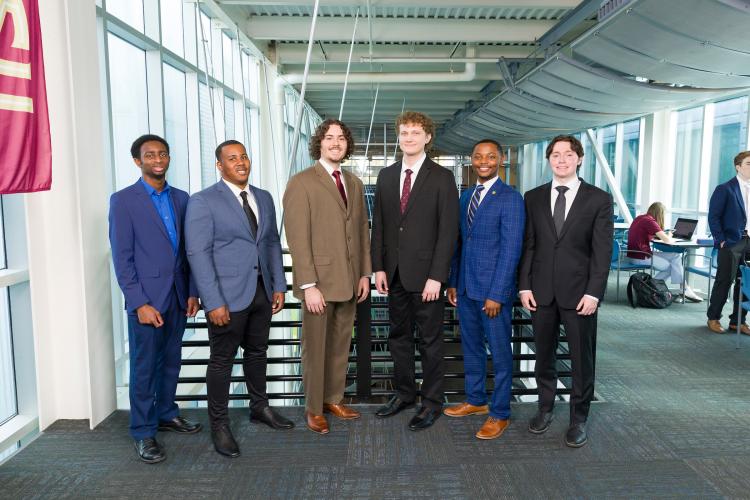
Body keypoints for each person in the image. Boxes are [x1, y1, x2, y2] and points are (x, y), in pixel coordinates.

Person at [185, 140, 292, 458]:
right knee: (221, 361)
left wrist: (280, 285)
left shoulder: (264, 197)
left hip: (261, 291)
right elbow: (198, 254)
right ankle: (219, 425)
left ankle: (260, 408)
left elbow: (271, 241)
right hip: (226, 297)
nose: (240, 162)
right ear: (220, 165)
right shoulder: (203, 201)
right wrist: (213, 301)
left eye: (244, 156)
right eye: (232, 158)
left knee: (258, 352)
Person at [109, 134, 202, 464]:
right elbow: (122, 259)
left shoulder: (181, 198)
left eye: (163, 153)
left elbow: (188, 252)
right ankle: (143, 431)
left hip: (178, 297)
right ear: (138, 161)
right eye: (150, 155)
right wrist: (139, 303)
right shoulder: (123, 201)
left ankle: (166, 412)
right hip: (146, 301)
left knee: (172, 361)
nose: (158, 159)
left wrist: (192, 291)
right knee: (145, 367)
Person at [518, 135, 613, 448]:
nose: (561, 160)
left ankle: (578, 418)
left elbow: (602, 252)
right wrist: (524, 285)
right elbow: (529, 245)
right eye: (556, 155)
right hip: (541, 291)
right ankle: (544, 408)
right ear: (549, 160)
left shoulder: (597, 199)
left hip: (580, 295)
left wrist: (594, 293)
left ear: (579, 158)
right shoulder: (532, 197)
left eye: (568, 154)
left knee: (580, 360)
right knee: (543, 355)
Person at [371, 111, 459, 431]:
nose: (409, 138)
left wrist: (437, 276)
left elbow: (448, 232)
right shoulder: (386, 175)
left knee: (431, 342)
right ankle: (405, 393)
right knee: (399, 339)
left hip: (427, 279)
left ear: (428, 137)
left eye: (415, 132)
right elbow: (379, 226)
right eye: (404, 132)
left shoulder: (441, 177)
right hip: (393, 274)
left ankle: (432, 402)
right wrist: (378, 268)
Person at [282, 119, 372, 435]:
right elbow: (297, 237)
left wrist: (364, 274)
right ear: (319, 143)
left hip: (349, 281)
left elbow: (361, 230)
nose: (336, 142)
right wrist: (308, 285)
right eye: (329, 137)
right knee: (315, 347)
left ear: (347, 145)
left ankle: (334, 398)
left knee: (339, 345)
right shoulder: (301, 182)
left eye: (341, 138)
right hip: (318, 283)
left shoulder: (354, 183)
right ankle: (313, 408)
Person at [444, 139, 525, 440]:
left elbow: (511, 250)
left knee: (501, 354)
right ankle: (476, 400)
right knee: (472, 348)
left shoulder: (511, 198)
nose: (484, 162)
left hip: (492, 293)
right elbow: (460, 244)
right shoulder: (466, 196)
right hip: (465, 288)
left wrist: (498, 293)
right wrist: (454, 281)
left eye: (491, 157)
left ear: (501, 160)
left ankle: (500, 412)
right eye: (478, 157)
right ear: (471, 160)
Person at [706, 151, 750, 335]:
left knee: (746, 282)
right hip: (732, 242)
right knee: (725, 281)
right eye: (749, 164)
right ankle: (714, 318)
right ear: (738, 166)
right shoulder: (725, 189)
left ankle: (738, 321)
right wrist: (721, 240)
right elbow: (713, 217)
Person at [626, 202, 702, 302]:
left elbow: (652, 234)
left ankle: (684, 288)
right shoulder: (650, 221)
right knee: (672, 266)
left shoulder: (641, 218)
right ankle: (650, 287)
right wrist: (669, 235)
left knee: (675, 257)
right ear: (659, 213)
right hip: (641, 256)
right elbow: (667, 240)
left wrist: (665, 235)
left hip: (634, 254)